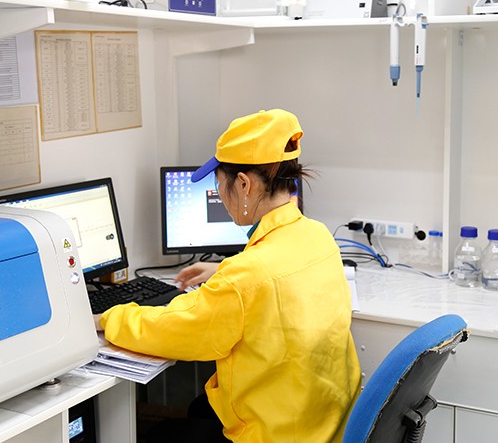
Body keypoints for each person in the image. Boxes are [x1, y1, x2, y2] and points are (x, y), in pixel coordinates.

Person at [98, 108, 361, 442]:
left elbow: (175, 330)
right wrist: (224, 269)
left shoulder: (246, 276)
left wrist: (108, 318)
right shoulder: (317, 236)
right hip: (329, 426)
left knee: (161, 435)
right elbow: (274, 277)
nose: (220, 195)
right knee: (199, 409)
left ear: (244, 184)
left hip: (275, 436)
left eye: (219, 183)